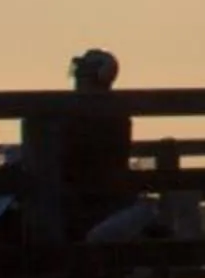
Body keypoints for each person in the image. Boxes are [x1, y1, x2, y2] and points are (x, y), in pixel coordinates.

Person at [58, 47, 142, 237]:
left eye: (84, 75)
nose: (78, 80)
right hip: (85, 190)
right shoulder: (83, 110)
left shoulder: (104, 114)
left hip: (89, 195)